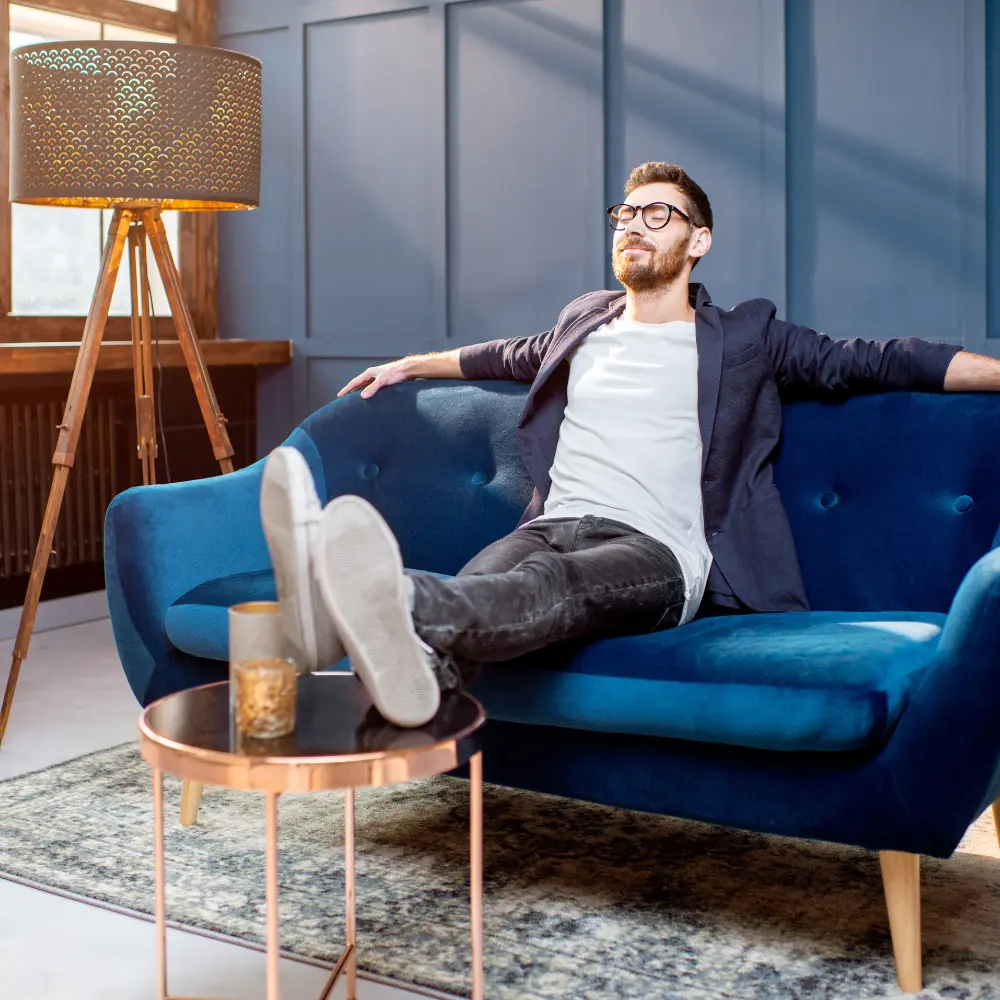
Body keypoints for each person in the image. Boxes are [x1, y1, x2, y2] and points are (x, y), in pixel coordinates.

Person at [260, 161, 1000, 728]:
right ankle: (404, 670)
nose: (634, 226)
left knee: (545, 595)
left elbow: (879, 359)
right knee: (485, 597)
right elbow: (507, 354)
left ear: (697, 240)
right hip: (549, 526)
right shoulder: (584, 321)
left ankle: (351, 607)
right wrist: (412, 364)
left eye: (657, 213)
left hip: (657, 552)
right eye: (624, 214)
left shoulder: (746, 337)